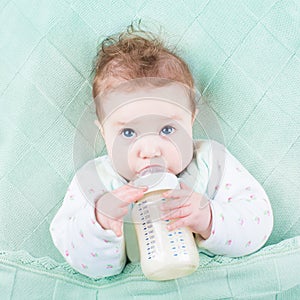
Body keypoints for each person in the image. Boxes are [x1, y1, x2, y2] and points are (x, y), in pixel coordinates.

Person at [50, 24, 273, 278]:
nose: (150, 149)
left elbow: (259, 221)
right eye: (128, 133)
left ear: (191, 121)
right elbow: (78, 257)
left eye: (167, 129)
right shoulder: (97, 181)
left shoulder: (211, 161)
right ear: (104, 133)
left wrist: (209, 218)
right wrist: (99, 223)